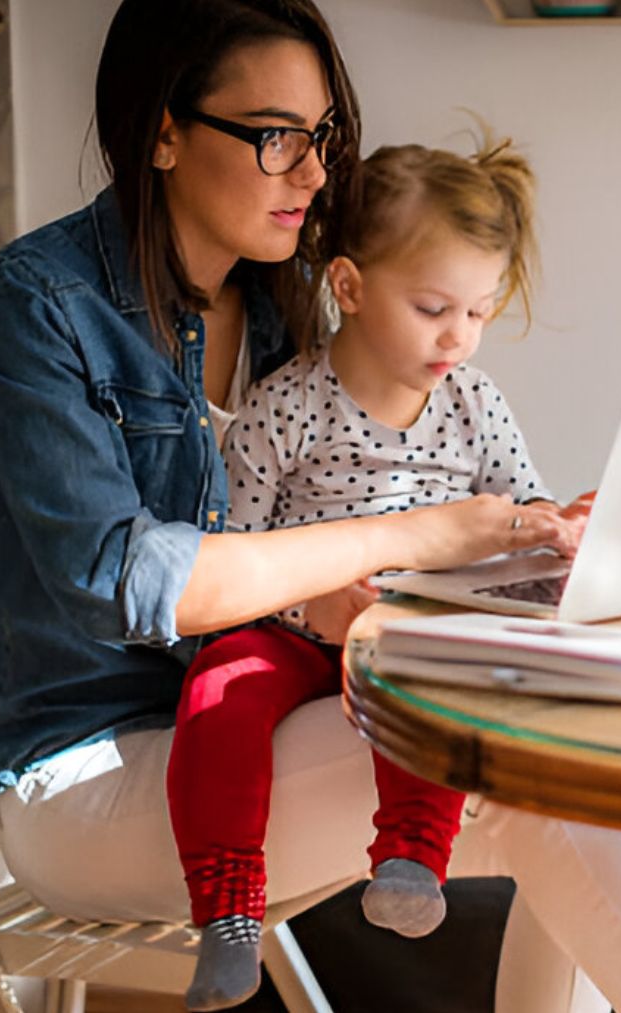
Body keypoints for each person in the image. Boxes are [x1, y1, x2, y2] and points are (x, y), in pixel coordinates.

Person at [0, 2, 621, 1011]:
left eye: (321, 136)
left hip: (278, 711)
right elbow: (140, 579)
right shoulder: (37, 306)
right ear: (161, 129)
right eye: (275, 135)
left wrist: (531, 539)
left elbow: (357, 504)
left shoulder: (284, 303)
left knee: (561, 756)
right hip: (92, 769)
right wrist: (416, 535)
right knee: (525, 761)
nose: (317, 173)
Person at [169, 129, 586, 1007]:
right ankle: (229, 910)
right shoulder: (285, 406)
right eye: (436, 309)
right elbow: (231, 555)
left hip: (405, 632)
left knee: (434, 685)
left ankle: (410, 858)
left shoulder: (474, 404)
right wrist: (310, 612)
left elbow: (519, 510)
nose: (460, 338)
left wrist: (558, 525)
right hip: (292, 632)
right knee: (216, 693)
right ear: (349, 286)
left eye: (478, 312)